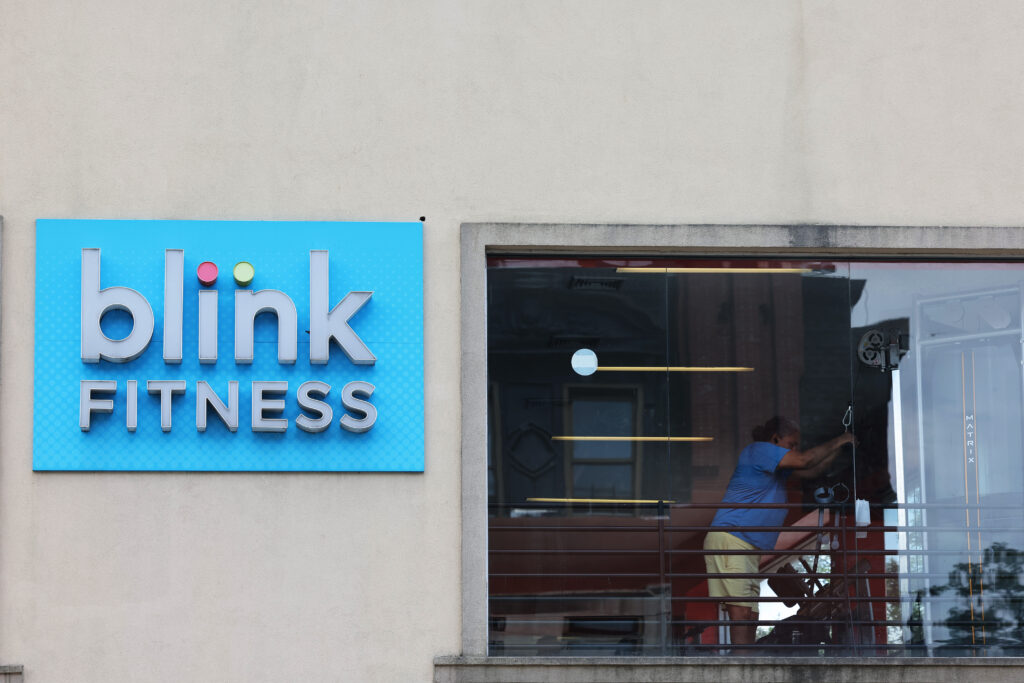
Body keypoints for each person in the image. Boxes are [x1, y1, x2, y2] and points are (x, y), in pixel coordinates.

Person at [703, 416, 854, 648]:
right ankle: (741, 670)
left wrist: (842, 447)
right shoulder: (759, 450)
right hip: (732, 540)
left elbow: (814, 469)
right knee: (742, 614)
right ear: (774, 439)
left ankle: (746, 666)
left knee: (751, 617)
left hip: (747, 547)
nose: (795, 450)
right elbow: (805, 460)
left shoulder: (774, 467)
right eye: (791, 444)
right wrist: (841, 439)